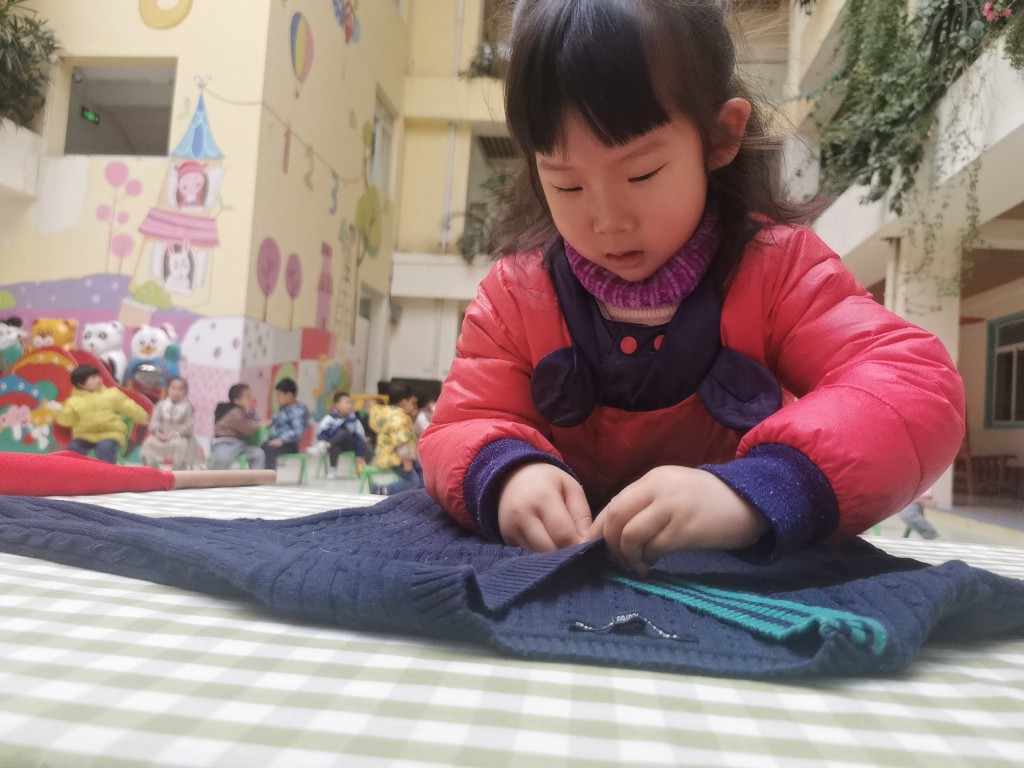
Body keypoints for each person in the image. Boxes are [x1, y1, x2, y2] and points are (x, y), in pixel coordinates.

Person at [418, 0, 965, 576]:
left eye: (642, 174)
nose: (608, 221)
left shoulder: (779, 272)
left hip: (737, 588)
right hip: (566, 588)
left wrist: (758, 490)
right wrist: (506, 472)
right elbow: (460, 425)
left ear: (720, 136)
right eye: (567, 185)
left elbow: (914, 387)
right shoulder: (515, 297)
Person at [56, 364, 150, 464]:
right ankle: (75, 470)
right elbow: (68, 421)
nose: (98, 379)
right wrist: (62, 411)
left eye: (98, 376)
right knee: (73, 448)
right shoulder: (73, 401)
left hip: (110, 434)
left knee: (105, 448)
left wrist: (142, 417)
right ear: (80, 384)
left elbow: (129, 406)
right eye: (93, 378)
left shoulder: (112, 394)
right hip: (84, 435)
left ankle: (108, 472)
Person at [138, 376, 206, 469]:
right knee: (149, 443)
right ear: (168, 389)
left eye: (180, 389)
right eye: (173, 388)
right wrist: (158, 434)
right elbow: (155, 420)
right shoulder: (161, 405)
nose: (176, 392)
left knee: (180, 446)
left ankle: (177, 472)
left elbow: (188, 426)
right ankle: (152, 469)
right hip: (160, 435)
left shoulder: (187, 407)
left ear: (185, 392)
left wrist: (173, 434)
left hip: (179, 437)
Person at [368, 382, 422, 496]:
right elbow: (400, 442)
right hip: (394, 457)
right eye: (411, 403)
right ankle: (381, 490)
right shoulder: (397, 418)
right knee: (412, 481)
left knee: (421, 469)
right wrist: (407, 462)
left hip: (394, 454)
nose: (412, 406)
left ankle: (421, 493)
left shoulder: (389, 413)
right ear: (404, 402)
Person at [308, 391, 372, 478]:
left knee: (344, 432)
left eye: (351, 403)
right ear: (338, 406)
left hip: (350, 444)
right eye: (347, 403)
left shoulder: (354, 420)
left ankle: (324, 446)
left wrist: (359, 454)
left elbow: (360, 436)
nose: (350, 405)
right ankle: (333, 469)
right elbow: (321, 432)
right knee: (335, 445)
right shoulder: (329, 419)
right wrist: (325, 440)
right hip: (336, 444)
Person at [210, 383, 266, 470]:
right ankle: (216, 476)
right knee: (223, 458)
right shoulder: (234, 413)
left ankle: (256, 476)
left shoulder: (245, 411)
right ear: (237, 400)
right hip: (225, 442)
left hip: (241, 443)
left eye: (251, 396)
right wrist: (262, 424)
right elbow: (247, 428)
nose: (251, 399)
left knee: (258, 454)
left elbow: (253, 422)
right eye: (248, 397)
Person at [262, 377, 311, 472]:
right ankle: (261, 474)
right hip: (277, 441)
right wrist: (270, 421)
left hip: (289, 444)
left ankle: (269, 475)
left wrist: (282, 440)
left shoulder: (298, 411)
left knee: (269, 449)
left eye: (279, 395)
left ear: (289, 395)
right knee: (262, 447)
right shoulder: (285, 408)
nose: (277, 398)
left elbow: (297, 431)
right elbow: (280, 418)